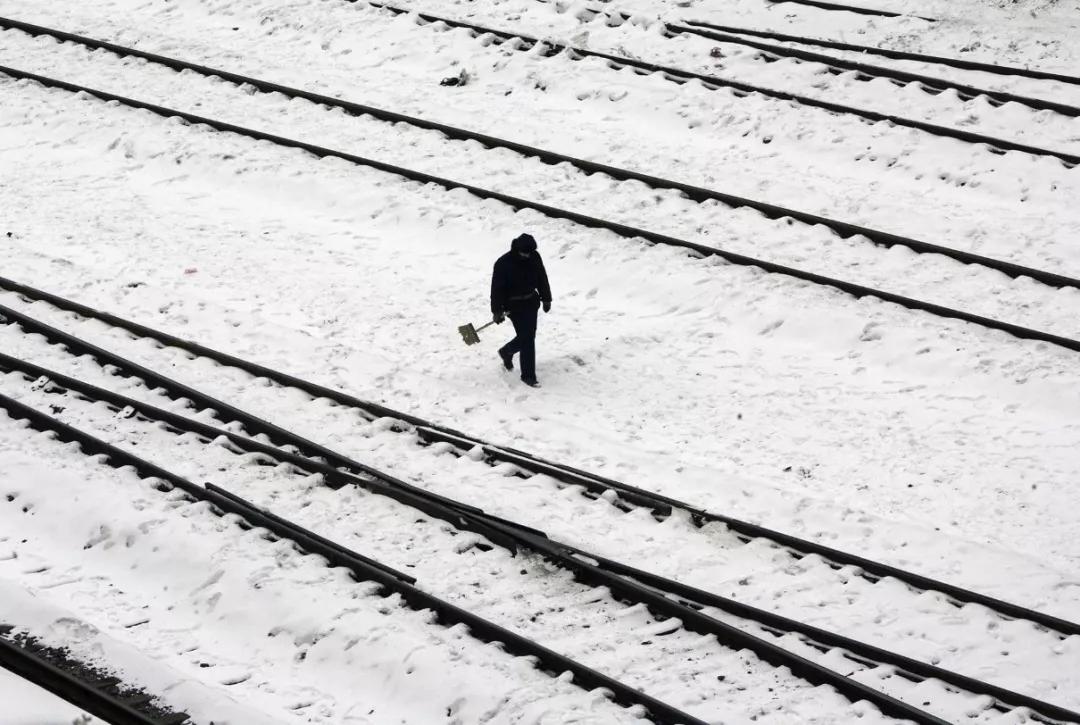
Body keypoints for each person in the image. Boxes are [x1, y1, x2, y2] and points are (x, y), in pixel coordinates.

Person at [491, 233, 552, 388]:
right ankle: (528, 376)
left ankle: (507, 351)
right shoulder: (503, 263)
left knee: (528, 336)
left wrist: (546, 298)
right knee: (527, 338)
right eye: (524, 253)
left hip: (531, 302)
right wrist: (497, 311)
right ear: (517, 249)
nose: (526, 256)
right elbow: (497, 289)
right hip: (514, 306)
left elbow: (541, 277)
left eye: (529, 253)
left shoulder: (534, 256)